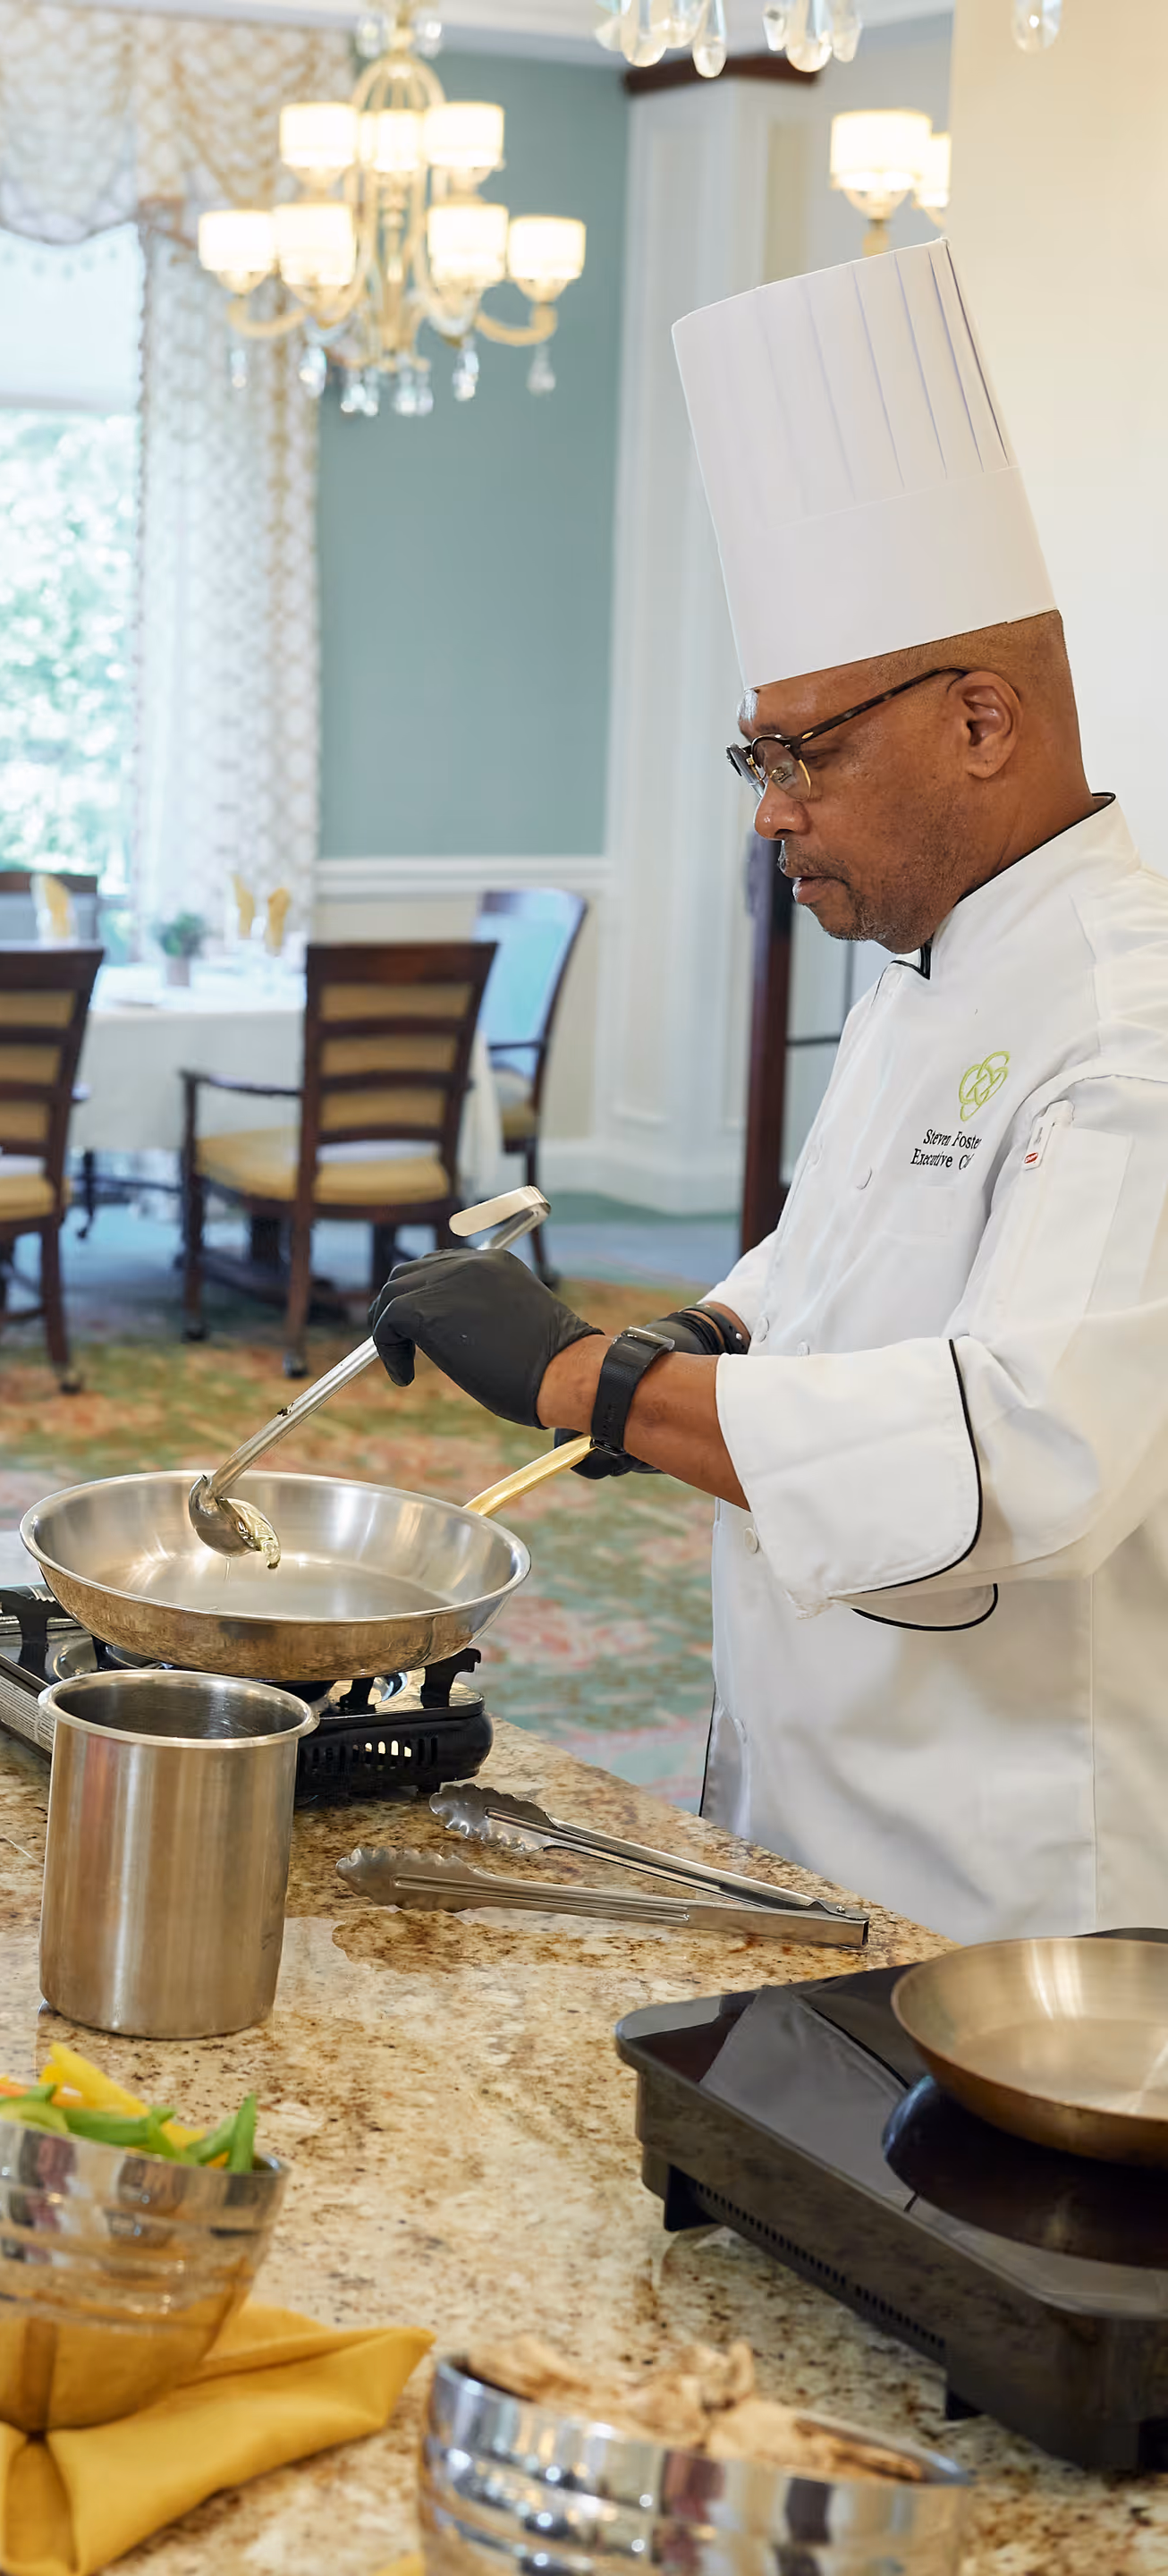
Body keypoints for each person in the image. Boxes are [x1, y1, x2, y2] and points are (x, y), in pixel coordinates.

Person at [370, 240, 1168, 1946]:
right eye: (761, 756)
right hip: (810, 1817)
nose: (769, 811)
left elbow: (1030, 1450)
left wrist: (585, 1380)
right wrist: (697, 1339)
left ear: (980, 720)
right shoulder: (929, 971)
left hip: (1012, 1895)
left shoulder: (1136, 1018)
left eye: (804, 753)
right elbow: (827, 1267)